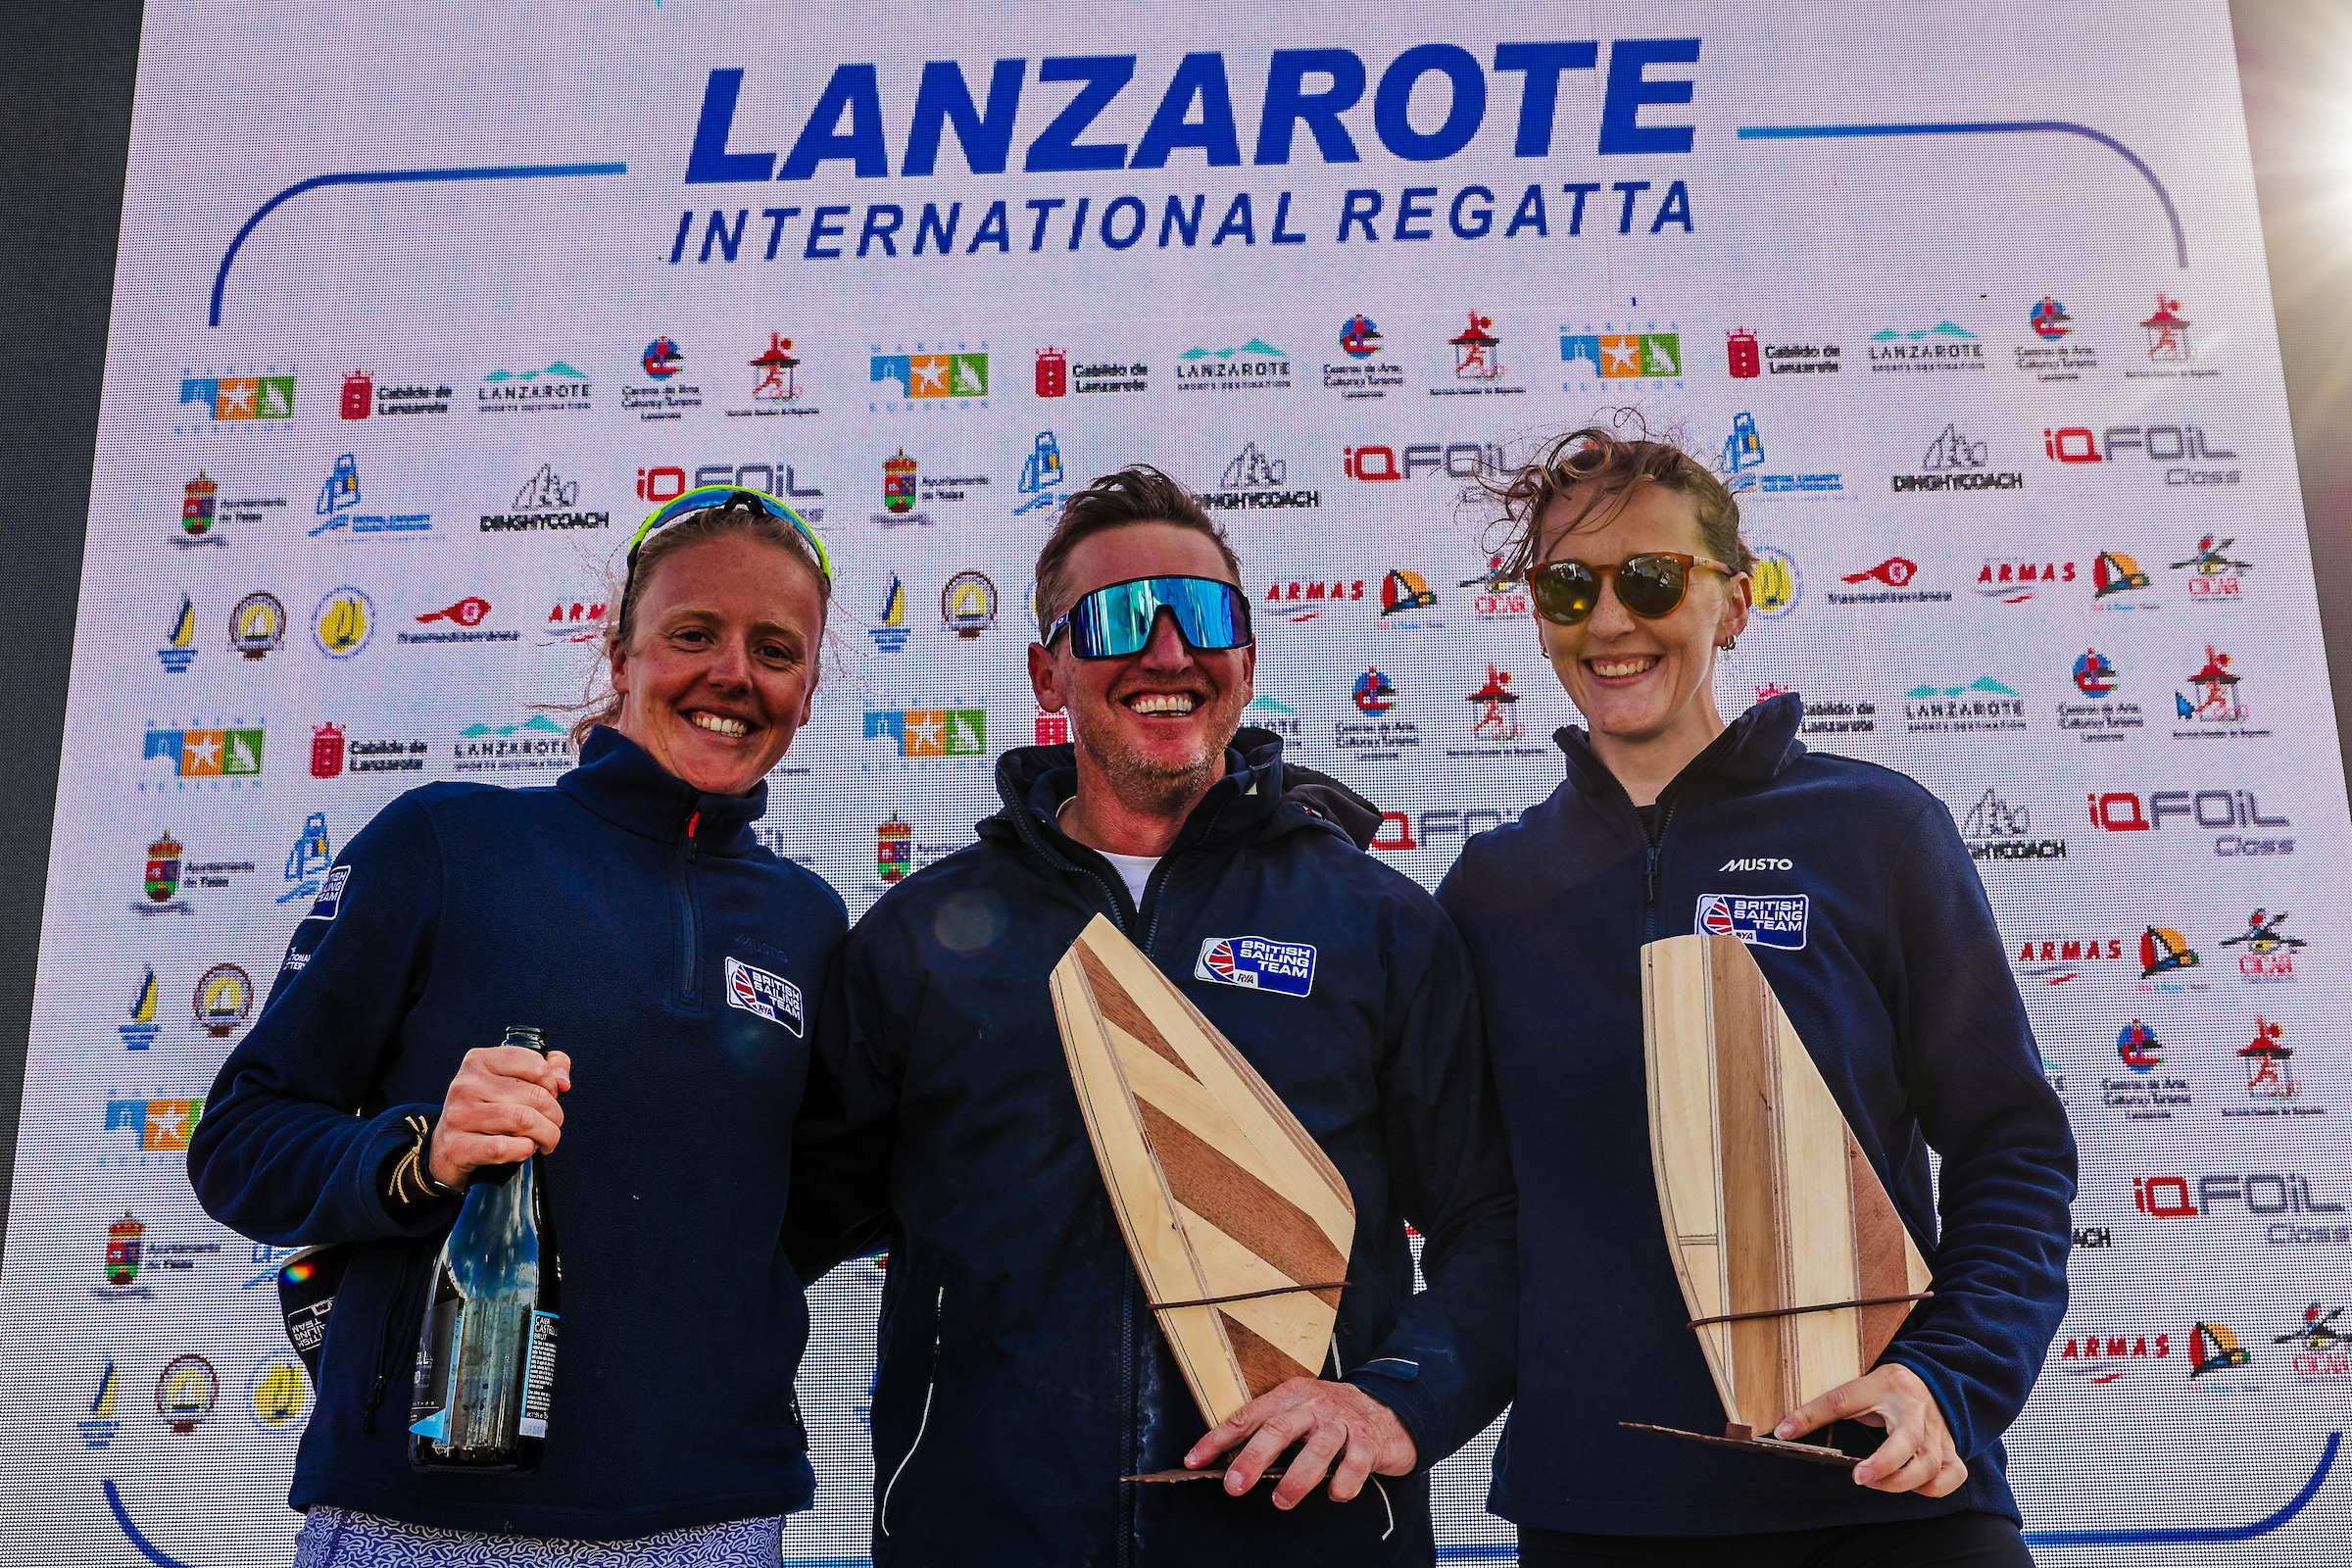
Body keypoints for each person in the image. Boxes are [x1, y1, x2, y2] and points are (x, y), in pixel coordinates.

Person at [787, 466, 1517, 1566]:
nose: (1169, 650)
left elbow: (1496, 1227)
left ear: (1248, 661)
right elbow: (770, 1223)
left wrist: (1399, 1400)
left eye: (1207, 616)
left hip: (1303, 1542)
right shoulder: (921, 937)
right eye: (1122, 617)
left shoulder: (1377, 924)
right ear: (1050, 667)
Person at [1436, 426, 2076, 1567]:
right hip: (1602, 1516)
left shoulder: (1877, 831)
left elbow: (2012, 1149)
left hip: (1884, 1494)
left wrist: (1949, 1381)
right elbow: (1456, 1209)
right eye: (1569, 584)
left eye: (1651, 577)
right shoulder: (1491, 887)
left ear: (1732, 604)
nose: (1612, 619)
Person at [188, 489, 846, 1565]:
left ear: (808, 690)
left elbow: (806, 1207)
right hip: (428, 1515)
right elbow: (240, 1141)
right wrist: (416, 1155)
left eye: (774, 648)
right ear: (619, 648)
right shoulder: (447, 841)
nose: (733, 672)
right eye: (694, 634)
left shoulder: (812, 925)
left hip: (717, 1524)